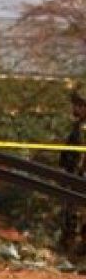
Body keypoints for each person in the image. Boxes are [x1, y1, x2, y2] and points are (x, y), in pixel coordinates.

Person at [60, 85, 86, 257]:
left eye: (78, 105)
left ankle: (75, 253)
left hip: (80, 181)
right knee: (71, 216)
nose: (74, 109)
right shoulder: (78, 127)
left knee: (76, 217)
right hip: (73, 179)